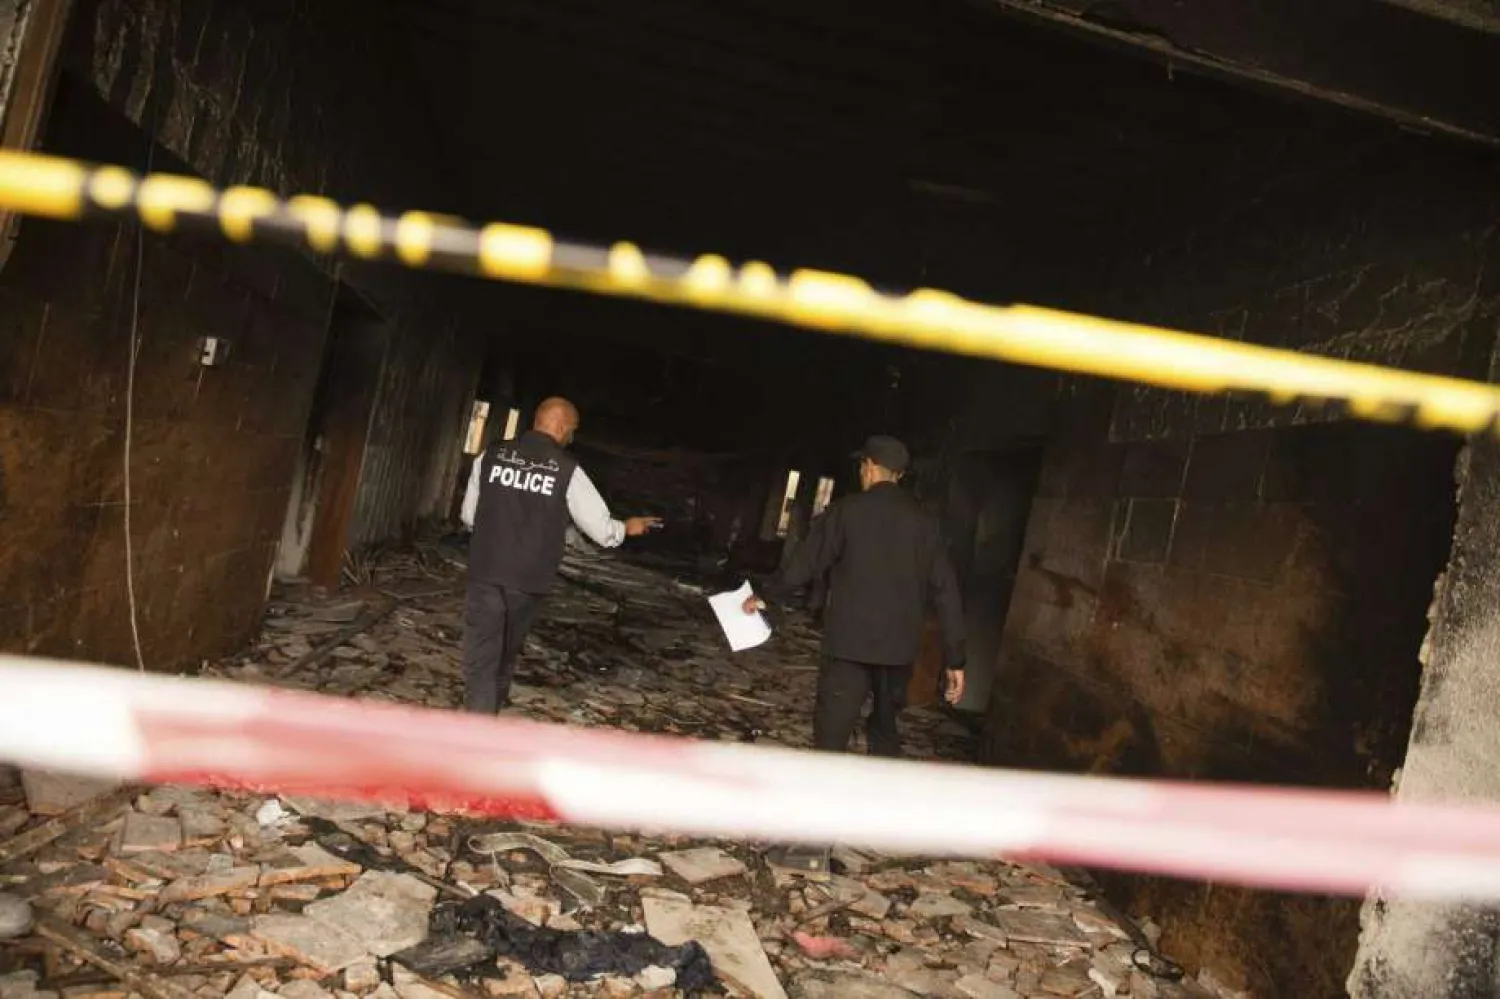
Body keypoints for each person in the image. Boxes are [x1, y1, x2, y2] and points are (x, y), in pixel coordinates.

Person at [746, 435, 965, 757]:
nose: (862, 472)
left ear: (871, 468)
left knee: (832, 734)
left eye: (863, 466)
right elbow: (947, 591)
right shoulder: (925, 525)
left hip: (848, 646)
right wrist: (955, 659)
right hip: (898, 650)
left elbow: (805, 564)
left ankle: (828, 797)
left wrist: (764, 595)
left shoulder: (845, 512)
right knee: (885, 730)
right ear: (899, 475)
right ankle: (875, 795)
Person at [460, 397, 661, 713]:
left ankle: (479, 723)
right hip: (528, 581)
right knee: (505, 655)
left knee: (481, 659)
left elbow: (470, 515)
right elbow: (600, 529)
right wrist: (626, 529)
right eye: (573, 429)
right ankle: (484, 723)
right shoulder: (567, 470)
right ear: (563, 425)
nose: (572, 436)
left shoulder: (491, 455)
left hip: (486, 571)